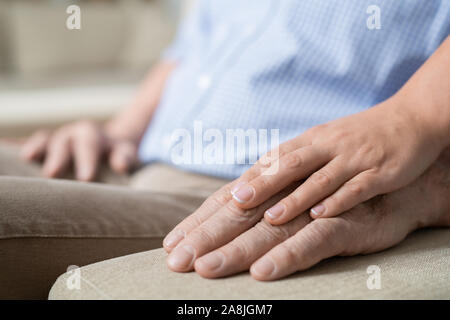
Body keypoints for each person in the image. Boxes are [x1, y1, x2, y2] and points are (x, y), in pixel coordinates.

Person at [1, 0, 449, 298]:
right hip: (133, 156)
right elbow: (195, 47)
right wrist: (120, 131)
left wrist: (412, 117)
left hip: (251, 185)